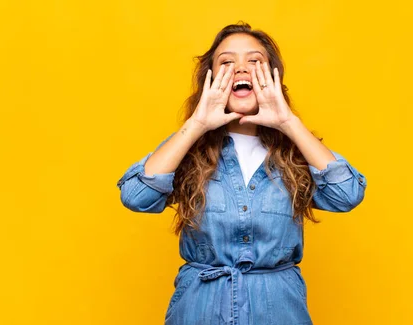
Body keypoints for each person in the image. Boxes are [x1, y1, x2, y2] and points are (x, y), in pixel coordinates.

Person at [117, 22, 367, 325]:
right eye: (226, 62)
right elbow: (135, 195)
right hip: (199, 310)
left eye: (255, 61)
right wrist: (197, 123)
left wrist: (287, 121)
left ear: (273, 77)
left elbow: (347, 194)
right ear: (210, 80)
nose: (241, 69)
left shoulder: (296, 153)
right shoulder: (188, 150)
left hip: (279, 311)